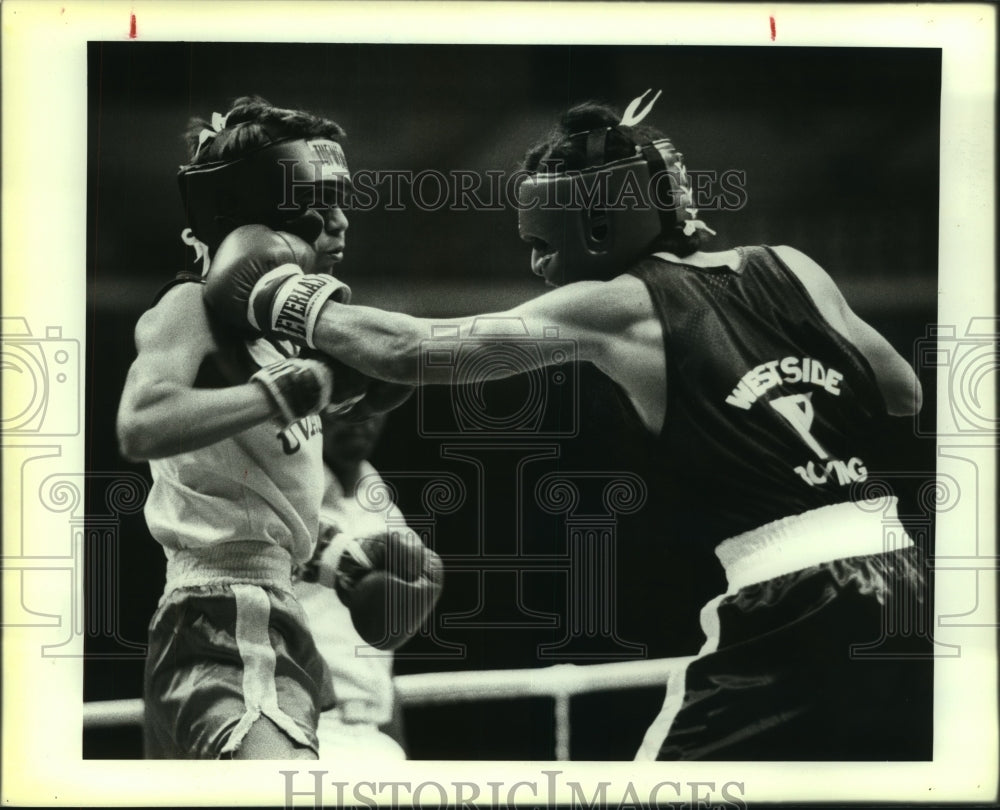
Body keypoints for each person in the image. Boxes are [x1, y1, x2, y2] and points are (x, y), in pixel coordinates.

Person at [200, 90, 929, 760]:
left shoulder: (620, 302)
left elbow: (414, 349)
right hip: (905, 584)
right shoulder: (791, 266)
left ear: (597, 224)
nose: (540, 263)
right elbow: (901, 392)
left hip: (789, 598)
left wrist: (275, 293)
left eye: (543, 241)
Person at [116, 96, 437, 759]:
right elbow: (141, 424)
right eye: (320, 206)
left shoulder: (274, 344)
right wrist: (281, 394)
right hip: (224, 625)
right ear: (256, 219)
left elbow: (245, 509)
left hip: (262, 619)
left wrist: (340, 557)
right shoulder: (189, 305)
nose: (341, 222)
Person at [294, 410, 418, 761]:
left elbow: (380, 654)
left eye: (373, 400)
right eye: (344, 400)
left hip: (372, 733)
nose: (360, 416)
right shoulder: (284, 502)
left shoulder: (385, 511)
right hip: (300, 727)